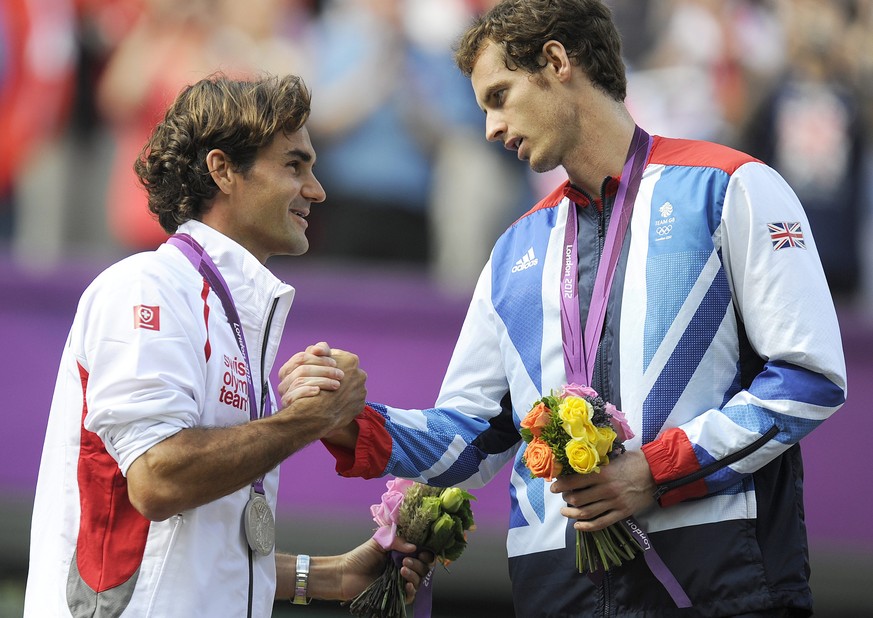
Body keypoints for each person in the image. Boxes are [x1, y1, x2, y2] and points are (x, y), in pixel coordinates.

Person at [291, 1, 848, 616]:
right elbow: (471, 435)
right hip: (558, 585)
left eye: (499, 95)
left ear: (557, 62)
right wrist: (349, 421)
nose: (491, 129)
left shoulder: (730, 186)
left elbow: (808, 374)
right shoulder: (513, 251)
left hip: (718, 570)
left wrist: (655, 471)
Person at [23, 73, 431, 617]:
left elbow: (190, 546)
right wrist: (312, 418)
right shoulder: (148, 286)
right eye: (294, 165)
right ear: (222, 169)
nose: (317, 190)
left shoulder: (230, 314)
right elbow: (158, 478)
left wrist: (329, 576)